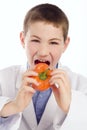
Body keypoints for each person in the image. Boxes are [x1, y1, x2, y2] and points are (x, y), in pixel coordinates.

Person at [0, 3, 87, 130]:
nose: (43, 52)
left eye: (53, 42)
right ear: (23, 39)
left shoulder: (81, 85)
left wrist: (71, 108)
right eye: (35, 40)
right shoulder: (3, 79)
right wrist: (12, 107)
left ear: (65, 44)